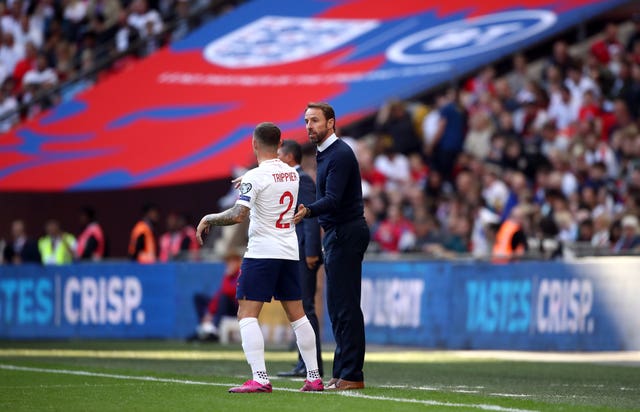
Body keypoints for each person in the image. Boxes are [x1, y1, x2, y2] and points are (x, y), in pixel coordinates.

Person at [196, 122, 322, 393]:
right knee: (298, 315)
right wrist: (251, 182)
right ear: (279, 145)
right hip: (289, 251)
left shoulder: (255, 176)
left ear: (254, 145)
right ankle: (314, 376)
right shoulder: (291, 174)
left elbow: (239, 214)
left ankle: (260, 378)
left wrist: (209, 218)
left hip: (262, 253)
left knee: (246, 313)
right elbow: (272, 187)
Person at [294, 102, 369, 391]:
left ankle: (352, 373)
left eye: (314, 120)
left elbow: (334, 199)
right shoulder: (326, 153)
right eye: (306, 121)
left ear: (331, 123)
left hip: (346, 232)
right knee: (337, 307)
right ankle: (342, 371)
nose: (309, 126)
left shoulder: (339, 154)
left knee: (346, 306)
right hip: (337, 233)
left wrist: (308, 210)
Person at [276, 139, 323, 378]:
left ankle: (311, 364)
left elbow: (311, 216)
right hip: (295, 252)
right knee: (299, 309)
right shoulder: (293, 179)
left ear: (289, 157)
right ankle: (303, 363)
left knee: (306, 308)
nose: (276, 159)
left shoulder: (302, 179)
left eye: (279, 155)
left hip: (305, 252)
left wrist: (312, 250)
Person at [192, 249, 242, 341]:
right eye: (228, 262)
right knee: (198, 297)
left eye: (232, 261)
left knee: (224, 298)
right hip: (223, 306)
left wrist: (226, 276)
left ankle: (214, 328)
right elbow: (218, 295)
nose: (229, 264)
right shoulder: (229, 275)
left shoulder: (240, 274)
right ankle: (204, 327)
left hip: (236, 309)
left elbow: (229, 291)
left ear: (238, 262)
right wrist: (210, 312)